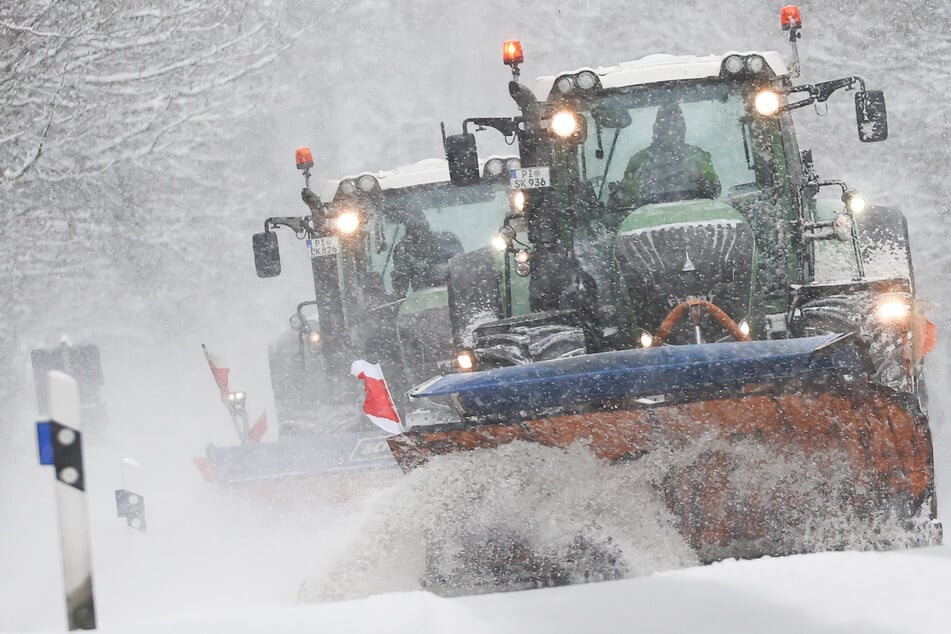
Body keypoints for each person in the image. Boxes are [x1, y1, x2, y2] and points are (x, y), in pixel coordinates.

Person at [612, 103, 720, 208]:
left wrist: (701, 179)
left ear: (683, 129)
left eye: (675, 125)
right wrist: (620, 194)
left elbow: (714, 190)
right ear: (657, 129)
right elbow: (626, 197)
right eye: (666, 125)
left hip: (695, 213)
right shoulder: (640, 160)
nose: (671, 131)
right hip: (649, 217)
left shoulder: (697, 155)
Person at [390, 215, 463, 296]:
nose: (418, 234)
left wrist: (434, 270)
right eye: (413, 231)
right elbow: (400, 287)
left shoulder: (447, 240)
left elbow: (461, 268)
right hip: (424, 300)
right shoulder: (404, 248)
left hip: (454, 295)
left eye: (419, 230)